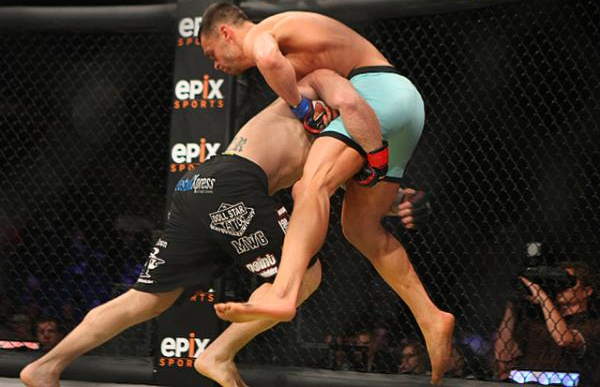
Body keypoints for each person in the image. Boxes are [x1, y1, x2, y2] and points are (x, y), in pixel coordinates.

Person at [20, 75, 423, 387]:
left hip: (198, 185)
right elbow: (324, 96)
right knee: (306, 274)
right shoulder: (316, 87)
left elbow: (348, 191)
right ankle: (218, 354)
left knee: (146, 299)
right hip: (236, 186)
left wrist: (396, 200)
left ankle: (46, 366)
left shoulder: (343, 134)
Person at [199, 2, 454, 384]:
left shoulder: (265, 33)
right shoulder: (303, 54)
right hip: (404, 107)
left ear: (226, 33)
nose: (216, 65)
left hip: (374, 94)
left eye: (211, 54)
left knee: (310, 185)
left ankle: (283, 292)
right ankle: (431, 317)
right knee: (360, 227)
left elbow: (267, 57)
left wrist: (300, 106)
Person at [494, 261, 600, 386]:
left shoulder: (593, 325)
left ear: (587, 291)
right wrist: (512, 305)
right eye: (557, 282)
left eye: (568, 282)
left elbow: (564, 339)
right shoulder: (536, 322)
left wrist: (543, 297)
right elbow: (503, 355)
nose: (561, 287)